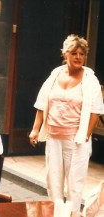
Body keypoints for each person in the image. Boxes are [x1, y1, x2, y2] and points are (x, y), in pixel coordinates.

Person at [28, 34, 104, 215]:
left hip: (75, 140)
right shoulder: (55, 74)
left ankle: (72, 214)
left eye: (82, 53)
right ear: (65, 55)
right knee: (53, 181)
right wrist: (35, 129)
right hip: (53, 136)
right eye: (74, 53)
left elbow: (96, 109)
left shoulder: (90, 79)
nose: (78, 57)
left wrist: (86, 134)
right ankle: (56, 214)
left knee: (74, 184)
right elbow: (42, 102)